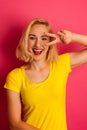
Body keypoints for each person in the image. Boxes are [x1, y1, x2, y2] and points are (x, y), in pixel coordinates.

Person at [4, 18, 87, 130]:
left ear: (51, 41)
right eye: (32, 38)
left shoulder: (60, 64)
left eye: (44, 38)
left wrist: (72, 37)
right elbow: (14, 124)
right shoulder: (15, 77)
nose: (38, 44)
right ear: (25, 41)